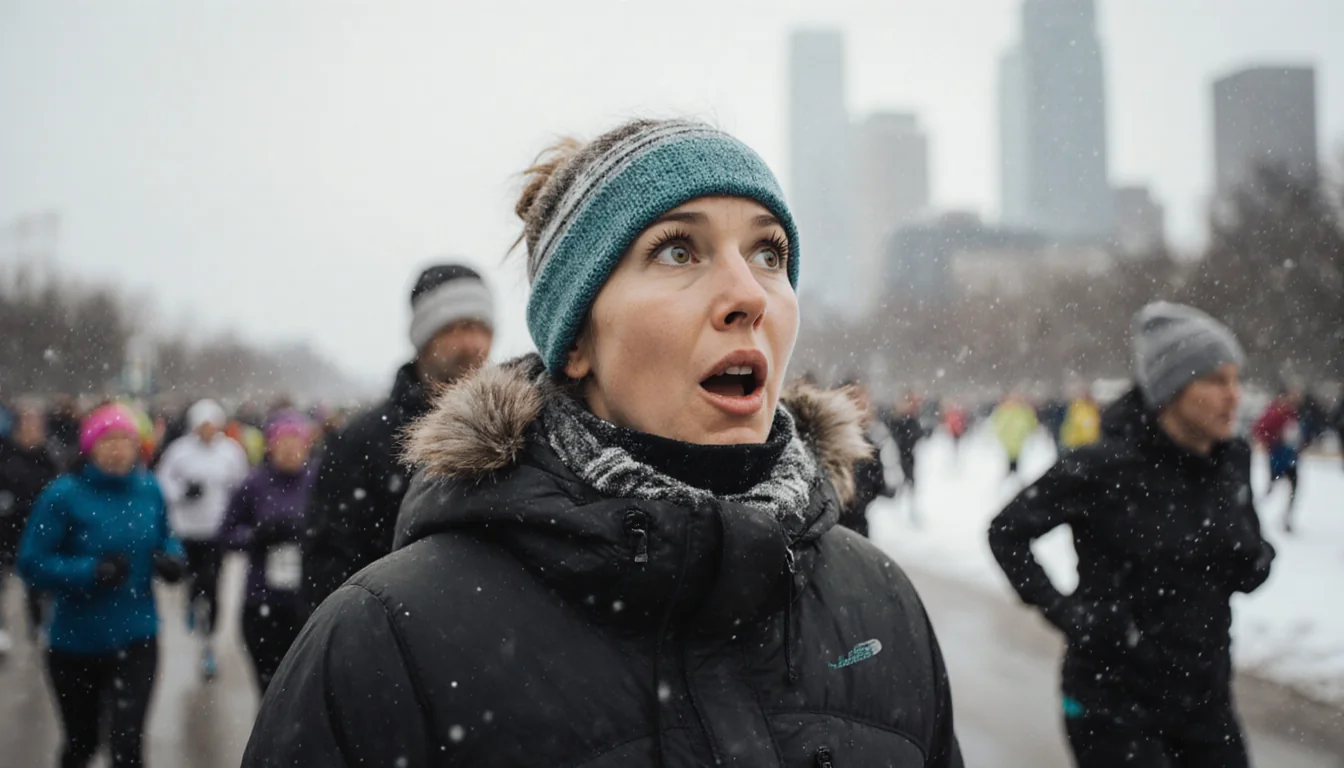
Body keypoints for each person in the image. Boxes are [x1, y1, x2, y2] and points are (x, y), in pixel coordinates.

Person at [245, 118, 961, 767]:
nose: (749, 293)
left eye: (769, 253)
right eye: (679, 250)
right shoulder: (385, 641)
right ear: (578, 340)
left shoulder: (882, 604)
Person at [988, 302, 1274, 768]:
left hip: (1205, 700)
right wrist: (1070, 615)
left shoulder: (1231, 460)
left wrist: (1254, 557)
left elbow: (1244, 565)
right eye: (1216, 380)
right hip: (1112, 702)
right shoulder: (1104, 468)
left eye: (1235, 379)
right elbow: (1006, 532)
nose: (1234, 396)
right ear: (1172, 389)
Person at [301, 263, 494, 613]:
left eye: (483, 328)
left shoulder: (512, 435)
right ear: (425, 337)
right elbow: (327, 576)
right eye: (458, 327)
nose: (474, 344)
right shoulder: (356, 444)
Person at [17, 403, 186, 768]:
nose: (117, 448)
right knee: (81, 745)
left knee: (128, 747)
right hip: (76, 643)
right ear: (90, 446)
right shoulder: (63, 495)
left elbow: (167, 537)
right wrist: (90, 572)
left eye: (125, 440)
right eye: (107, 440)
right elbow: (31, 563)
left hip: (137, 637)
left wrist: (172, 559)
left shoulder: (149, 489)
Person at [218, 410, 318, 693]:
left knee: (305, 691)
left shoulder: (319, 480)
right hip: (262, 602)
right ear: (270, 446)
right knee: (270, 690)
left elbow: (338, 529)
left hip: (307, 602)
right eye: (282, 441)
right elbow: (226, 534)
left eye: (296, 440)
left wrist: (307, 535)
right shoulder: (254, 483)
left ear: (307, 445)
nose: (289, 448)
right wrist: (258, 536)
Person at [155, 398, 250, 680]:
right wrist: (182, 492)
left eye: (212, 425)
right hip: (186, 530)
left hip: (216, 532)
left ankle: (208, 644)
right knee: (191, 578)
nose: (207, 431)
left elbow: (240, 487)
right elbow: (162, 483)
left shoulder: (231, 452)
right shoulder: (179, 451)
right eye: (202, 425)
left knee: (213, 583)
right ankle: (193, 605)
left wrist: (237, 519)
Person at [0, 403, 61, 650]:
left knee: (36, 584)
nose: (32, 430)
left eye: (36, 425)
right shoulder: (5, 454)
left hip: (36, 530)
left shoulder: (49, 456)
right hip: (5, 529)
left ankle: (38, 626)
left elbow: (57, 489)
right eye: (27, 425)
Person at [840, 382, 895, 537]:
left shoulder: (871, 440)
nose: (863, 409)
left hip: (857, 526)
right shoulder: (832, 442)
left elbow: (879, 484)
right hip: (836, 529)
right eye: (856, 403)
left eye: (865, 403)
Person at [1252, 390, 1303, 533]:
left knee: (1293, 487)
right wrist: (1269, 442)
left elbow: (1298, 435)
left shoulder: (1292, 414)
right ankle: (1253, 513)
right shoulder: (1273, 413)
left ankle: (1286, 518)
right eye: (1290, 398)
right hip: (1277, 457)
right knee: (1271, 489)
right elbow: (1259, 429)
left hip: (1290, 458)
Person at [991, 394, 1038, 478]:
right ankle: (1012, 473)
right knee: (1011, 456)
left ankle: (1014, 473)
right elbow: (998, 425)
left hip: (1017, 439)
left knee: (1016, 456)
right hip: (1010, 440)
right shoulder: (1005, 411)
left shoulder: (1021, 411)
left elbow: (1030, 422)